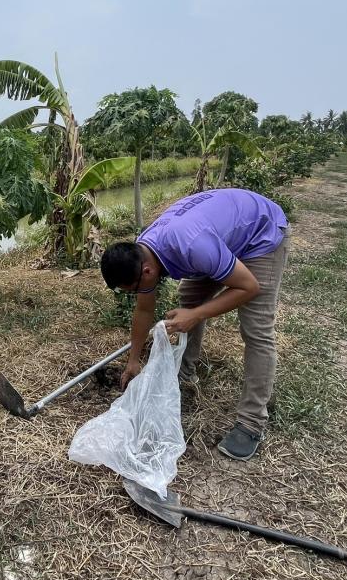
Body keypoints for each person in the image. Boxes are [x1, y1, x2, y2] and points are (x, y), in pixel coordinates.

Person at [99, 188, 288, 461]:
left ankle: (251, 423)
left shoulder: (191, 246)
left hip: (260, 233)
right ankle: (184, 375)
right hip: (218, 239)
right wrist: (133, 360)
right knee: (190, 299)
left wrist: (198, 314)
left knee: (256, 330)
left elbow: (248, 287)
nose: (135, 295)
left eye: (132, 289)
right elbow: (144, 308)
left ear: (147, 272)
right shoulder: (143, 251)